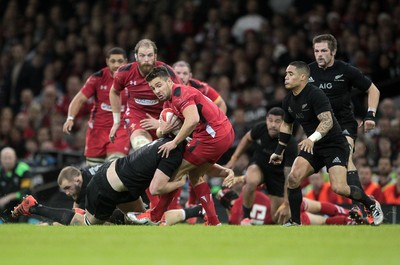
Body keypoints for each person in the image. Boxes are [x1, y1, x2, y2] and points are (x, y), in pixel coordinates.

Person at [269, 61, 383, 226]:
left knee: (339, 188)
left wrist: (312, 138)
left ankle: (370, 203)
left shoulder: (315, 94)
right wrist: (279, 151)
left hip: (334, 145)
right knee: (293, 178)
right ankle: (295, 221)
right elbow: (287, 125)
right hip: (314, 147)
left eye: (290, 74)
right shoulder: (288, 100)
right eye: (286, 74)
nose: (286, 77)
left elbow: (327, 121)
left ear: (303, 77)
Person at [132, 65, 235, 226]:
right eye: (153, 88)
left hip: (212, 135)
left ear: (168, 81)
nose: (156, 91)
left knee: (176, 173)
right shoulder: (169, 102)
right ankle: (214, 221)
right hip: (222, 133)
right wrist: (162, 129)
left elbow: (192, 120)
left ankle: (154, 215)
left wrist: (174, 142)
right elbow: (161, 131)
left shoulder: (181, 93)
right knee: (195, 175)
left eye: (159, 85)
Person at [12, 136, 187, 225]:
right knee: (87, 223)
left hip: (122, 184)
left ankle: (196, 212)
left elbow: (77, 211)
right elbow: (77, 212)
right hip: (112, 184)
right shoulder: (170, 149)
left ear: (77, 178)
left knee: (137, 221)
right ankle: (35, 207)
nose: (66, 192)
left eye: (67, 187)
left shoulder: (167, 146)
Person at [309, 34, 381, 215]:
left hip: (344, 125)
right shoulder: (308, 72)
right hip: (321, 129)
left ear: (333, 51)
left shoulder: (346, 70)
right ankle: (364, 201)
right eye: (316, 51)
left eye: (324, 50)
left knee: (346, 157)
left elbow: (373, 89)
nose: (319, 55)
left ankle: (359, 207)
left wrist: (370, 114)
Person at [225, 107, 297, 225]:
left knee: (278, 218)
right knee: (251, 181)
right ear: (266, 120)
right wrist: (234, 159)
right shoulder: (261, 128)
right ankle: (246, 218)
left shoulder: (290, 143)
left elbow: (288, 175)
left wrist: (286, 203)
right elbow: (247, 138)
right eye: (270, 120)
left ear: (284, 123)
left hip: (278, 176)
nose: (273, 125)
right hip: (259, 167)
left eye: (277, 121)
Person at [109, 39, 181, 151]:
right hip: (137, 116)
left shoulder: (167, 72)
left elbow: (180, 97)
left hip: (163, 116)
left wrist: (161, 122)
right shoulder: (124, 72)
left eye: (149, 55)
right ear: (136, 57)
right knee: (142, 146)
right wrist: (116, 121)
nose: (146, 60)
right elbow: (114, 91)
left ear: (155, 56)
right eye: (142, 56)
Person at [63, 47, 130, 166]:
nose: (116, 65)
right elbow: (79, 99)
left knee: (114, 167)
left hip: (120, 129)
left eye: (120, 61)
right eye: (113, 61)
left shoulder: (131, 78)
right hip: (97, 131)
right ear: (107, 61)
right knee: (93, 171)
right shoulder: (97, 78)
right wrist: (70, 118)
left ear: (126, 62)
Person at [215, 187, 365, 226]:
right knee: (318, 206)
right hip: (286, 204)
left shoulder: (234, 219)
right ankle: (349, 212)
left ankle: (352, 221)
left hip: (284, 218)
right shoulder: (249, 193)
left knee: (322, 221)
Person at [0, 147, 32, 223]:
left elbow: (26, 191)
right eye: (5, 158)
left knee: (26, 199)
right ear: (1, 159)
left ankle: (23, 223)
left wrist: (9, 197)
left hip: (21, 202)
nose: (7, 161)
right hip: (5, 204)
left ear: (15, 158)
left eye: (10, 158)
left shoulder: (23, 169)